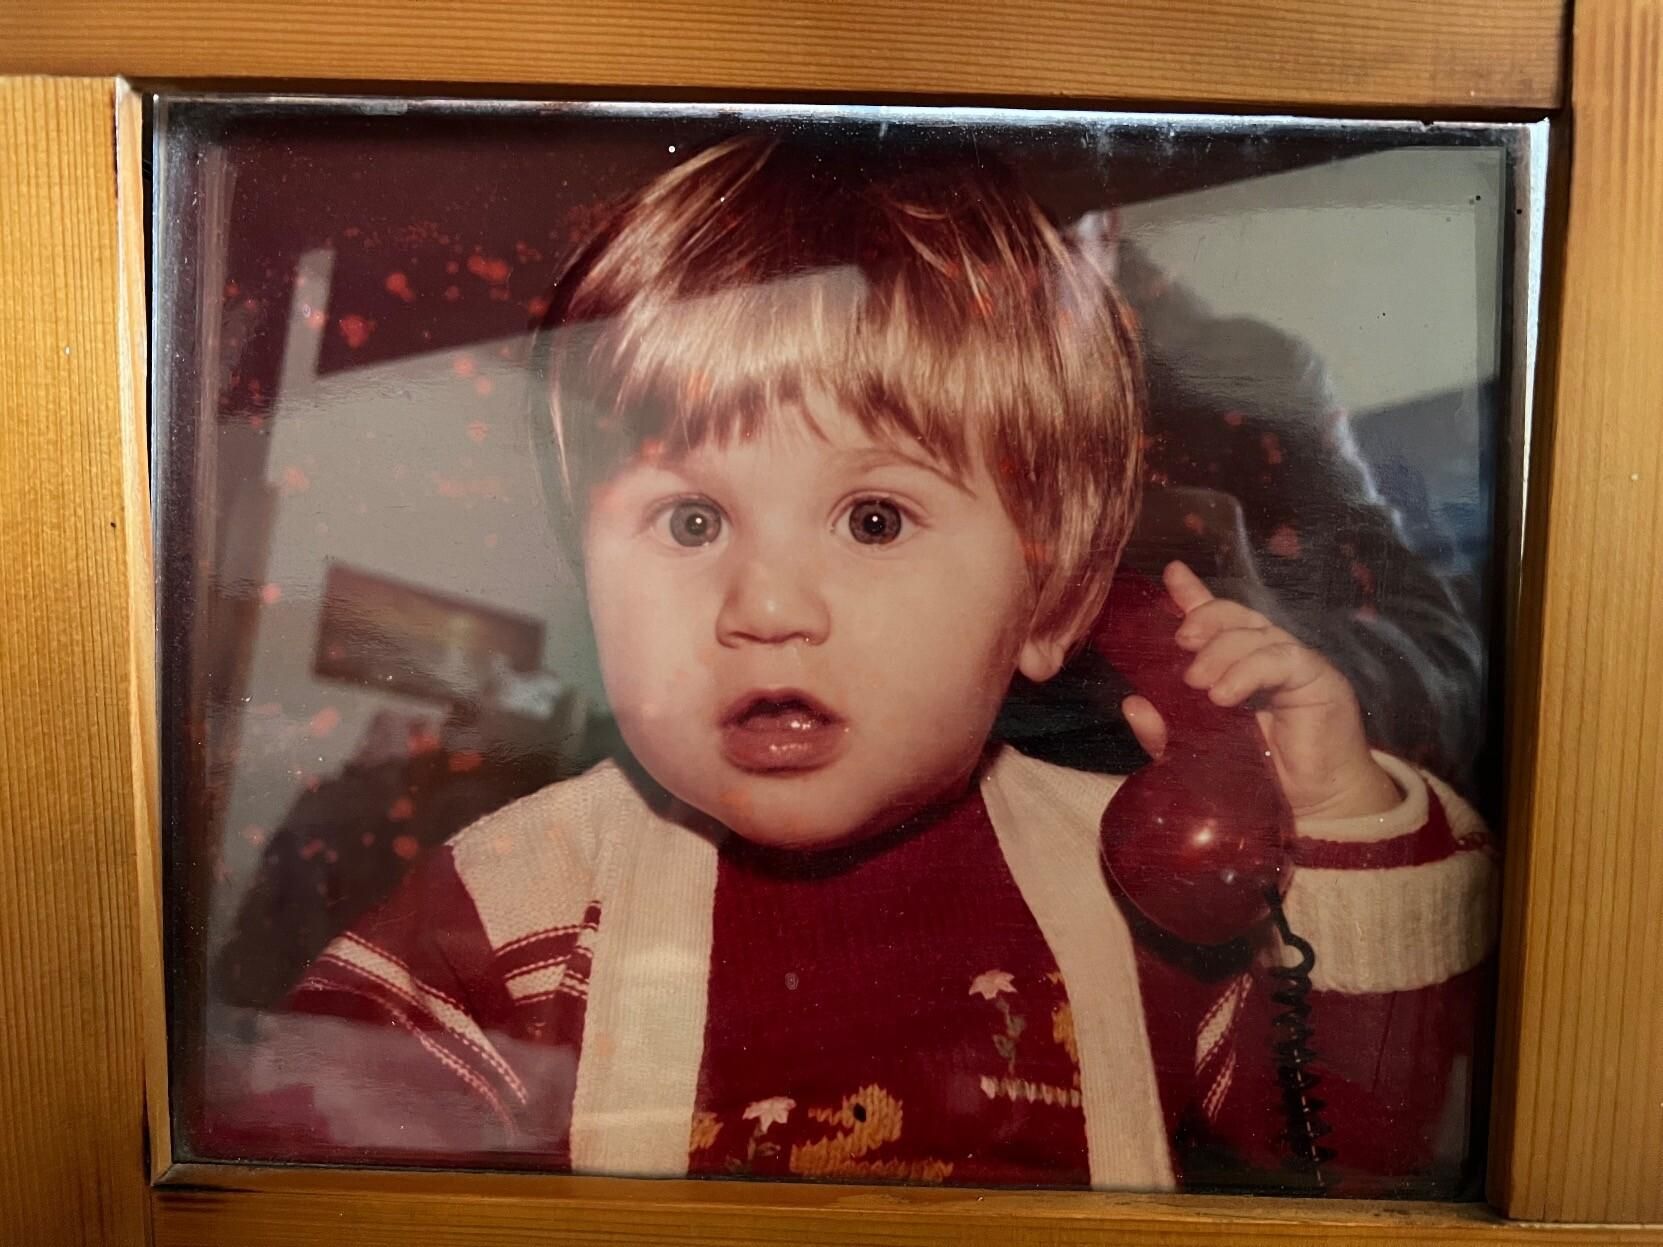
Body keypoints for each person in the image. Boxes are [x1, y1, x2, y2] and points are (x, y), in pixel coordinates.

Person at [220, 133, 1496, 1196]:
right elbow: (275, 1168)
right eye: (691, 521)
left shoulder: (1126, 892)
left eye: (875, 519)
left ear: (1049, 599)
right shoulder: (523, 899)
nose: (764, 606)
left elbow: (1355, 1142)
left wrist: (1339, 819)